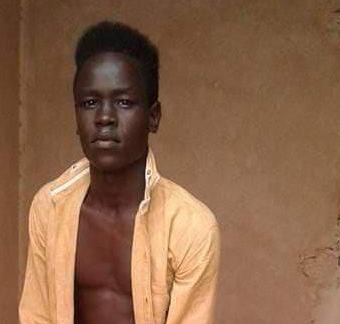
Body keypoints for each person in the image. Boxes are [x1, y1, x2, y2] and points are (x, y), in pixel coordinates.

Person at [19, 21, 220, 324]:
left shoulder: (191, 227)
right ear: (76, 117)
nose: (104, 117)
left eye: (124, 102)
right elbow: (37, 316)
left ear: (153, 117)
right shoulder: (49, 208)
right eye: (90, 103)